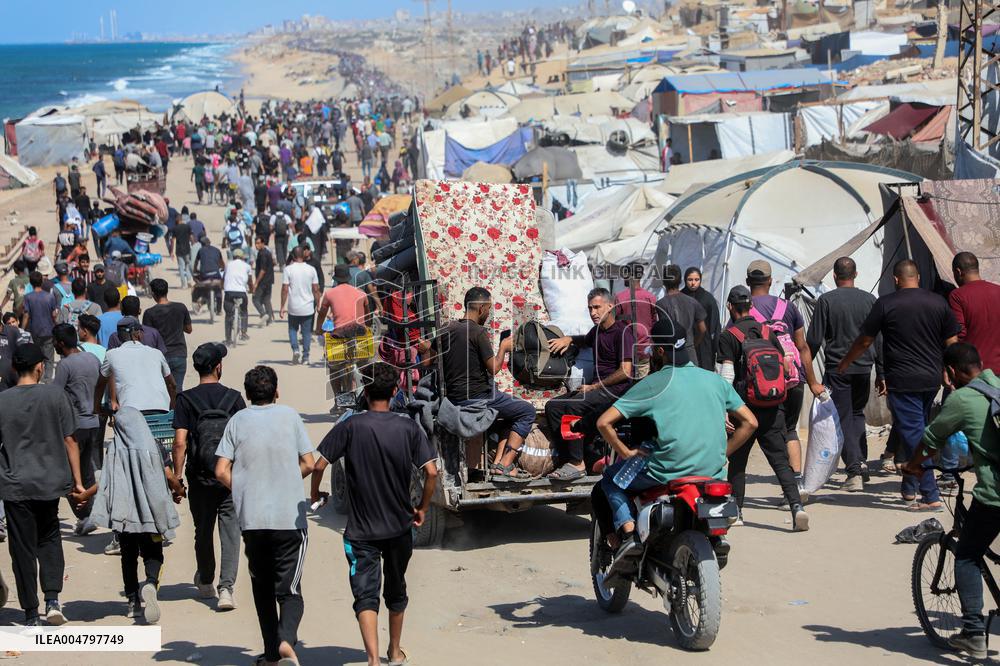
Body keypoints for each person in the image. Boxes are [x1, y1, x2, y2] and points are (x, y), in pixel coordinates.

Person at [596, 315, 757, 570]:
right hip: (712, 471)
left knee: (611, 481)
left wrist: (625, 451)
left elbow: (603, 422)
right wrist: (723, 452)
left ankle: (627, 534)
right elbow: (750, 423)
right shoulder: (714, 380)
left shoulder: (654, 383)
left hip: (667, 471)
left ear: (660, 351)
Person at [317, 363, 438, 666]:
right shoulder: (408, 427)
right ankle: (394, 652)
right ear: (395, 391)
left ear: (365, 391)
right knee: (397, 591)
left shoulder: (350, 425)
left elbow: (319, 465)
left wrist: (314, 495)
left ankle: (372, 659)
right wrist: (422, 508)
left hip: (361, 533)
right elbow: (432, 472)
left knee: (365, 596)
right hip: (399, 527)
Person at [901, 343, 1000, 660]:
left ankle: (973, 633)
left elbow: (931, 440)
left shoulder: (961, 398)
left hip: (995, 495)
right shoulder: (998, 384)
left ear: (951, 373)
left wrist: (914, 466)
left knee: (968, 555)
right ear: (981, 363)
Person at [214, 366, 316, 666]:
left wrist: (245, 488)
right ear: (276, 391)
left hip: (253, 520)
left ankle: (271, 656)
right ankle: (286, 641)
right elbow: (308, 463)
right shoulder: (290, 416)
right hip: (289, 521)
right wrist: (285, 479)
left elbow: (221, 470)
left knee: (262, 588)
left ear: (247, 395)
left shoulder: (237, 421)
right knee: (290, 589)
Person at [839, 259, 960, 510]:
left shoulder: (886, 303)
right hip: (930, 380)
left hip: (903, 380)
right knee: (915, 430)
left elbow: (864, 341)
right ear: (917, 277)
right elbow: (952, 341)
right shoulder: (938, 302)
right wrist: (950, 369)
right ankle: (908, 487)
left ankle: (930, 494)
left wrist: (845, 362)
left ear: (896, 279)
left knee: (914, 433)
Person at [0, 343, 83, 626]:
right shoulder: (55, 395)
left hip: (14, 485)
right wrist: (78, 482)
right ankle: (52, 600)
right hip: (49, 483)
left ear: (14, 368)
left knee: (21, 547)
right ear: (39, 368)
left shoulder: (2, 401)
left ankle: (30, 613)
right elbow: (70, 441)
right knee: (49, 537)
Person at [78, 405, 182, 624]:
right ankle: (151, 584)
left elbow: (104, 479)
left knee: (128, 557)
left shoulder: (115, 449)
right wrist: (179, 490)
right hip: (150, 516)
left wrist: (85, 495)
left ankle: (133, 602)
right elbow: (169, 475)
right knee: (153, 554)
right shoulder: (153, 446)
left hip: (124, 517)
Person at [719, 286, 809, 531]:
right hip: (772, 406)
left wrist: (725, 409)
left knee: (738, 462)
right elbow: (786, 367)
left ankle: (736, 512)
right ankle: (796, 507)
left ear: (730, 307)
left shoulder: (729, 335)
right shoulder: (769, 331)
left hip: (743, 409)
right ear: (751, 306)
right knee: (780, 461)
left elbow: (727, 373)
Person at [429, 287, 537, 481]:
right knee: (527, 411)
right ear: (480, 308)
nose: (488, 314)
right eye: (488, 309)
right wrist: (504, 348)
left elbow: (429, 361)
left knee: (510, 412)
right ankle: (506, 464)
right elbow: (493, 368)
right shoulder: (478, 332)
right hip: (480, 397)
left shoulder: (445, 329)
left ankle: (497, 464)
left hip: (455, 398)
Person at [172, 343, 246, 613]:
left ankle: (205, 581)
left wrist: (178, 479)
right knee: (230, 532)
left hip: (200, 477)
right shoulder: (234, 398)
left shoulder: (186, 399)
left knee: (202, 530)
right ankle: (226, 589)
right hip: (229, 478)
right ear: (218, 367)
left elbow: (180, 442)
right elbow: (245, 438)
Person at [744, 260, 825, 481]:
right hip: (792, 379)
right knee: (790, 430)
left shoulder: (742, 309)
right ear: (771, 281)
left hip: (761, 383)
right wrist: (812, 382)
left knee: (754, 432)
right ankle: (796, 482)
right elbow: (803, 347)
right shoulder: (788, 307)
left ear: (747, 282)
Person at [806, 257, 881, 492]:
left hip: (838, 368)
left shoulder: (826, 301)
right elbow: (879, 338)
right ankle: (861, 461)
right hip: (864, 367)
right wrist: (882, 371)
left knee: (845, 417)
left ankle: (854, 472)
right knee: (857, 414)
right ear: (855, 274)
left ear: (834, 276)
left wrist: (807, 374)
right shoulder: (870, 300)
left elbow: (813, 341)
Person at [545, 288, 635, 481]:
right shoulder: (596, 332)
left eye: (597, 307)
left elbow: (625, 371)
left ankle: (578, 464)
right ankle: (567, 459)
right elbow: (583, 340)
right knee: (552, 406)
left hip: (616, 392)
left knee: (572, 405)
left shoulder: (622, 332)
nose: (593, 312)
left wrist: (594, 386)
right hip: (598, 390)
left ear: (610, 306)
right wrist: (569, 338)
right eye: (590, 309)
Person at [52, 324, 102, 536]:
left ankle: (85, 516)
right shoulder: (92, 358)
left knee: (70, 475)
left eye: (55, 341)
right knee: (87, 470)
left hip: (74, 427)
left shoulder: (64, 365)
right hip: (93, 423)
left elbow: (55, 396)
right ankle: (90, 516)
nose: (53, 344)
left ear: (61, 343)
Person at [94, 317, 176, 415]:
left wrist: (97, 408)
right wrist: (173, 407)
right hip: (160, 408)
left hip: (130, 411)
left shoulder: (111, 354)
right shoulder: (157, 353)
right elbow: (172, 384)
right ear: (138, 334)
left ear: (119, 337)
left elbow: (100, 384)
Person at [949, 252, 1000, 372]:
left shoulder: (957, 296)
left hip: (973, 370)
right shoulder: (998, 291)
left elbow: (959, 334)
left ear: (958, 272)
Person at [143, 279, 192, 390]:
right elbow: (189, 329)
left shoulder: (149, 313)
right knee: (177, 388)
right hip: (179, 354)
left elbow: (148, 337)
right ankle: (177, 407)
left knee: (162, 389)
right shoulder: (181, 307)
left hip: (160, 356)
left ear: (153, 294)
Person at [655, 264, 706, 361]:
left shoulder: (660, 304)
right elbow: (702, 329)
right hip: (690, 352)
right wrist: (693, 344)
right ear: (680, 281)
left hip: (671, 353)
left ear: (664, 282)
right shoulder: (692, 301)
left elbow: (664, 331)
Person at [280, 247, 321, 366]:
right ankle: (306, 357)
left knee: (292, 330)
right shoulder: (311, 269)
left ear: (292, 256)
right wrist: (318, 304)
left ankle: (295, 349)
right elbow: (316, 289)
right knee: (306, 333)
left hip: (293, 306)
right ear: (303, 255)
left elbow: (285, 289)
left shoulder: (288, 269)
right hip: (308, 307)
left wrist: (282, 306)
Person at [613, 269, 657, 379]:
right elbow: (654, 323)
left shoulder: (620, 298)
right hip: (646, 350)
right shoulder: (650, 297)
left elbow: (616, 326)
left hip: (626, 352)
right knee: (644, 387)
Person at [681, 267, 722, 371]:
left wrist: (715, 347)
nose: (693, 283)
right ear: (685, 280)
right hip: (685, 343)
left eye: (696, 280)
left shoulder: (707, 298)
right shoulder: (680, 297)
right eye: (690, 280)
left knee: (705, 371)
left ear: (700, 280)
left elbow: (715, 324)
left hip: (705, 345)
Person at [21, 271, 58, 382]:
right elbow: (54, 315)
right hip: (48, 331)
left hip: (35, 331)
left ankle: (38, 377)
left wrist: (22, 329)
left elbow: (26, 315)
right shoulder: (50, 297)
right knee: (49, 358)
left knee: (38, 355)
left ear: (31, 283)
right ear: (42, 281)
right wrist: (57, 327)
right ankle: (47, 380)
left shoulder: (28, 297)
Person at [223, 249, 254, 346]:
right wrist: (252, 290)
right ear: (242, 257)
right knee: (244, 310)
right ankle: (244, 333)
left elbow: (224, 277)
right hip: (241, 292)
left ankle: (228, 339)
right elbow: (250, 281)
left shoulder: (228, 265)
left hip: (229, 292)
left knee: (228, 315)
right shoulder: (247, 266)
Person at [193, 236, 225, 317]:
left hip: (204, 275)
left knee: (200, 286)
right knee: (218, 290)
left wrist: (195, 271)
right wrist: (222, 268)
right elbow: (222, 263)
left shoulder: (200, 251)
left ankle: (201, 299)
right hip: (216, 274)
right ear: (210, 242)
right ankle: (219, 310)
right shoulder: (217, 250)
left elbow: (196, 263)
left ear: (202, 244)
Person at [252, 236, 275, 326]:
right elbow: (273, 263)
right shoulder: (267, 252)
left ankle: (263, 314)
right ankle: (269, 319)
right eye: (255, 243)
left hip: (263, 281)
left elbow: (262, 270)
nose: (256, 245)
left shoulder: (262, 254)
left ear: (263, 243)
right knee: (266, 299)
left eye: (258, 243)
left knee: (255, 299)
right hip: (269, 280)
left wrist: (256, 283)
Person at [174, 214, 194, 289]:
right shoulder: (187, 227)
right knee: (187, 266)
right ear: (181, 219)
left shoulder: (175, 228)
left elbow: (173, 240)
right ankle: (189, 281)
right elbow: (191, 237)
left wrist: (171, 251)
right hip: (187, 249)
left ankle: (183, 284)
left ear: (177, 220)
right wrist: (193, 243)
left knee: (181, 267)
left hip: (179, 250)